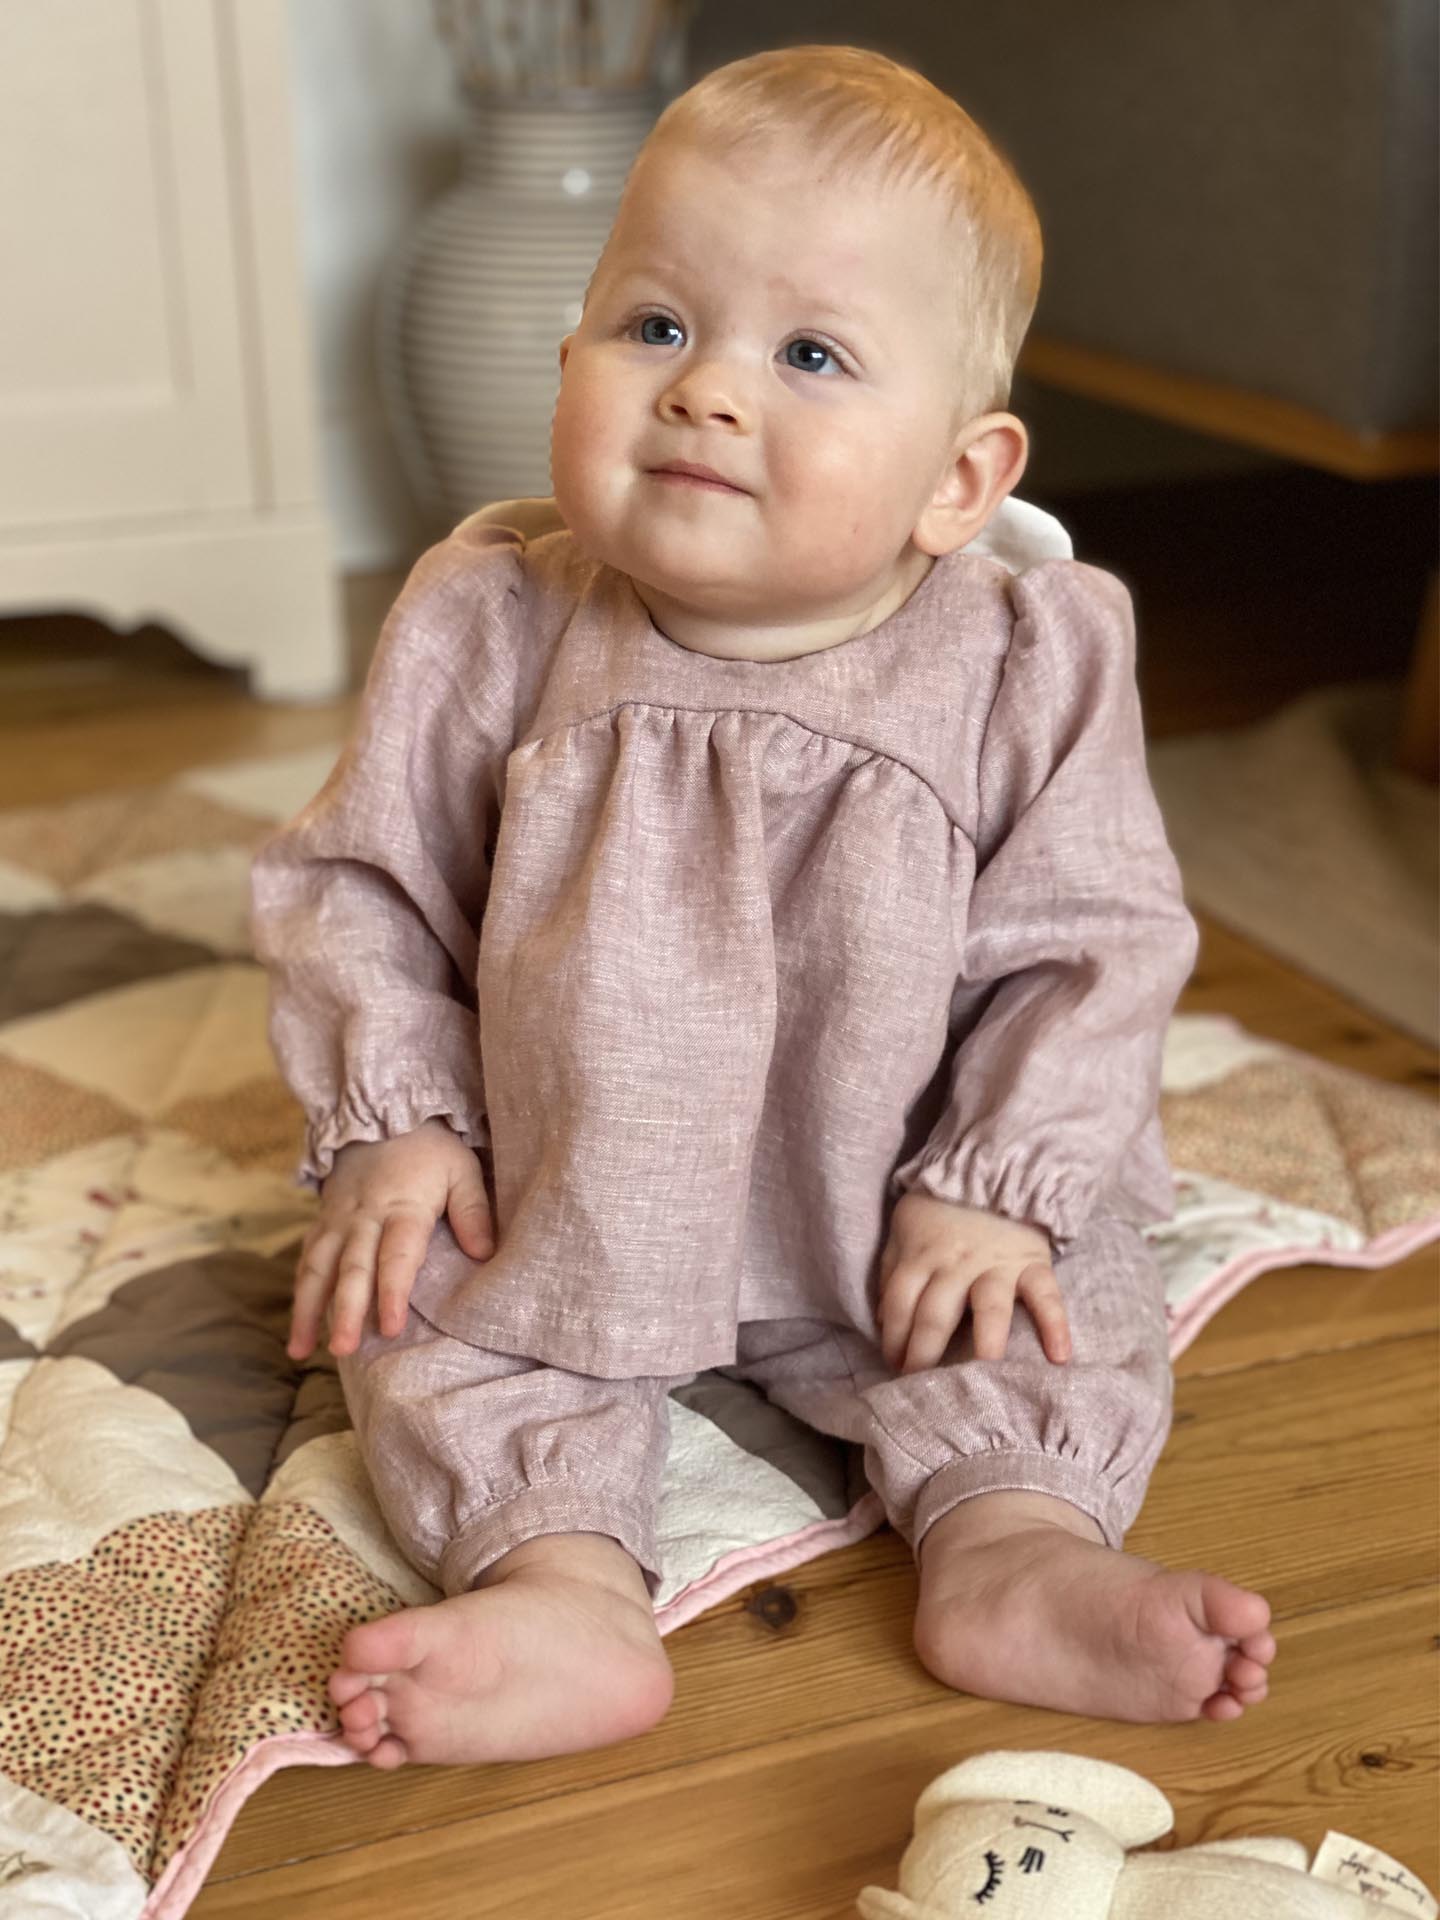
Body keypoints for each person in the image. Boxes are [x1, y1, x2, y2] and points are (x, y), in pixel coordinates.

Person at [251, 44, 1275, 1771]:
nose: (709, 392)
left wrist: (996, 1185)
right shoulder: (489, 618)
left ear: (962, 480)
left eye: (808, 355)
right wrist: (399, 1125)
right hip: (569, 1185)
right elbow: (363, 884)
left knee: (1060, 1296)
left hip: (889, 1208)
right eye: (655, 325)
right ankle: (561, 1577)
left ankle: (1012, 1547)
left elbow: (1093, 943)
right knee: (407, 1289)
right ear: (565, 353)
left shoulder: (1028, 654)